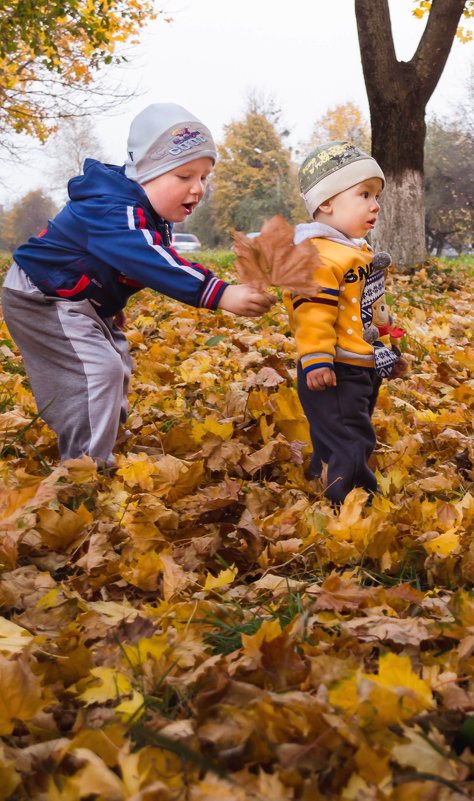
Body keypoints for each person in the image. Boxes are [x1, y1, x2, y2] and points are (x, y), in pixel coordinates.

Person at [2, 103, 273, 469]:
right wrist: (219, 292)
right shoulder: (115, 209)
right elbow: (151, 260)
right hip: (41, 295)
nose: (198, 188)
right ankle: (84, 469)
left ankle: (105, 439)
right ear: (146, 172)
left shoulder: (144, 213)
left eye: (204, 177)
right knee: (98, 370)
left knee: (118, 362)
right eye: (184, 176)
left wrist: (110, 305)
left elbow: (118, 262)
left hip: (74, 296)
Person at [283, 141, 406, 506]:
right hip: (333, 368)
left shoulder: (357, 252)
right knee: (352, 439)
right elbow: (312, 310)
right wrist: (316, 357)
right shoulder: (319, 255)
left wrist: (387, 349)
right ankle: (351, 504)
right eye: (364, 194)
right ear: (327, 202)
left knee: (337, 434)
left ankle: (321, 478)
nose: (375, 204)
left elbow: (373, 310)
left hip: (360, 364)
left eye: (376, 195)